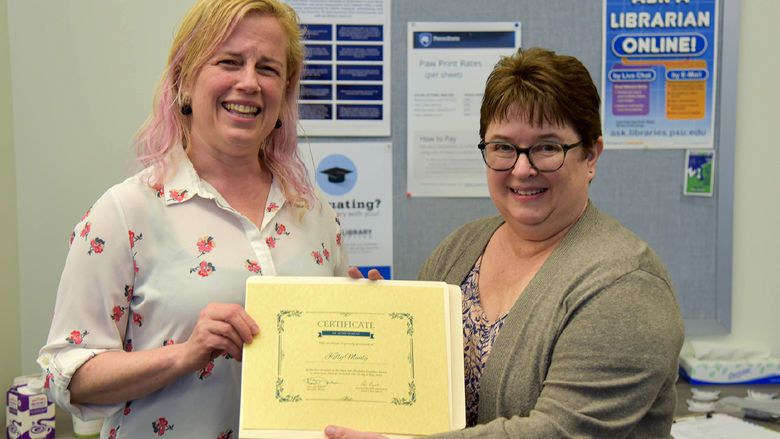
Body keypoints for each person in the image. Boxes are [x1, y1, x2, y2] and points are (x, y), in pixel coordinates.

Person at [333, 47, 685, 438]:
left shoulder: (626, 285)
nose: (521, 168)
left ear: (591, 156)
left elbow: (559, 432)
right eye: (503, 147)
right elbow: (417, 390)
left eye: (547, 147)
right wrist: (377, 327)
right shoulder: (459, 250)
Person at [37, 1, 348, 437]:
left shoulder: (315, 216)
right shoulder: (126, 213)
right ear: (184, 81)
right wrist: (184, 354)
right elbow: (65, 373)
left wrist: (361, 315)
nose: (249, 83)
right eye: (229, 62)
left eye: (269, 69)